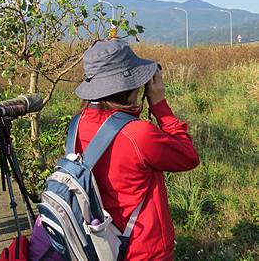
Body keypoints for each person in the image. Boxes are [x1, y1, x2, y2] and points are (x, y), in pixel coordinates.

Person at [72, 40, 200, 260]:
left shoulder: (77, 124)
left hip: (101, 245)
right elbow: (189, 157)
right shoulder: (138, 134)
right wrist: (160, 105)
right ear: (129, 87)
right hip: (143, 250)